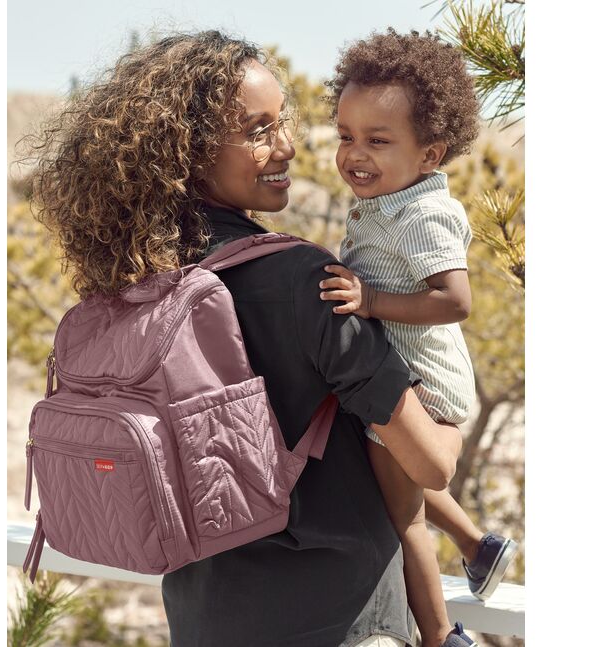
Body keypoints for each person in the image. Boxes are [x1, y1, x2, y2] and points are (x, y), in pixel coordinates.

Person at [30, 30, 469, 647]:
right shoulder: (308, 282)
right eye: (259, 131)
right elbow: (432, 462)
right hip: (341, 616)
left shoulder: (139, 281)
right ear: (189, 150)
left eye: (282, 122)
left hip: (204, 616)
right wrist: (452, 418)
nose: (287, 146)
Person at [318, 29, 517, 647]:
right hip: (405, 372)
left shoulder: (421, 214)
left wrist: (370, 301)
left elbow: (456, 300)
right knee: (396, 482)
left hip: (418, 383)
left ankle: (439, 636)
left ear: (430, 154)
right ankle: (478, 546)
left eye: (378, 141)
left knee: (401, 518)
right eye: (346, 136)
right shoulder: (389, 201)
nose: (355, 154)